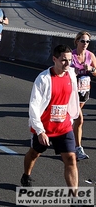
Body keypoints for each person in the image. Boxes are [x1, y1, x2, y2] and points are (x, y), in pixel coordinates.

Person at [20, 44, 80, 188]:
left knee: (71, 158)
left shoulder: (71, 74)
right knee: (34, 153)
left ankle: (75, 198)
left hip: (64, 126)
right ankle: (26, 175)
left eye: (70, 60)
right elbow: (34, 106)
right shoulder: (43, 79)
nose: (67, 63)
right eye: (64, 60)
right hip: (44, 127)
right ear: (54, 59)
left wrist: (72, 116)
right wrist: (40, 131)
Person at [71, 31, 96, 160]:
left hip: (84, 90)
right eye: (83, 41)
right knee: (79, 119)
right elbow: (61, 70)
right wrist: (72, 72)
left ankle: (62, 135)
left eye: (87, 42)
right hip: (72, 91)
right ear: (77, 41)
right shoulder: (71, 55)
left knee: (73, 118)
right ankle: (77, 148)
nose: (85, 44)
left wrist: (91, 69)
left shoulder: (90, 56)